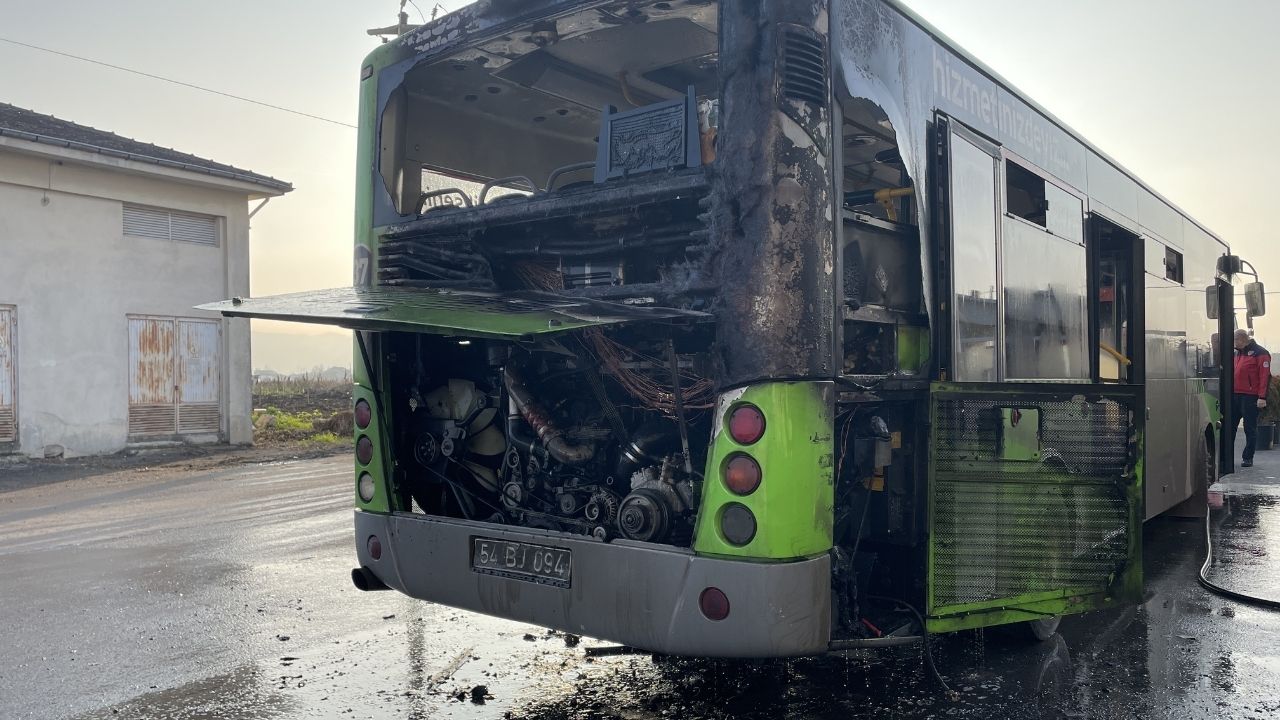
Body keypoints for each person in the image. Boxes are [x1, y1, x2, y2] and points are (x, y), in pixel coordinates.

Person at [1233, 329, 1271, 467]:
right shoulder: (1237, 353)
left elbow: (1264, 377)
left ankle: (1248, 457)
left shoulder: (1260, 353)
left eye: (1235, 340)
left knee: (1250, 428)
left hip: (1250, 396)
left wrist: (1262, 397)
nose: (1233, 343)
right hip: (1235, 395)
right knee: (1230, 427)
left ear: (1242, 339)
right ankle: (1227, 456)